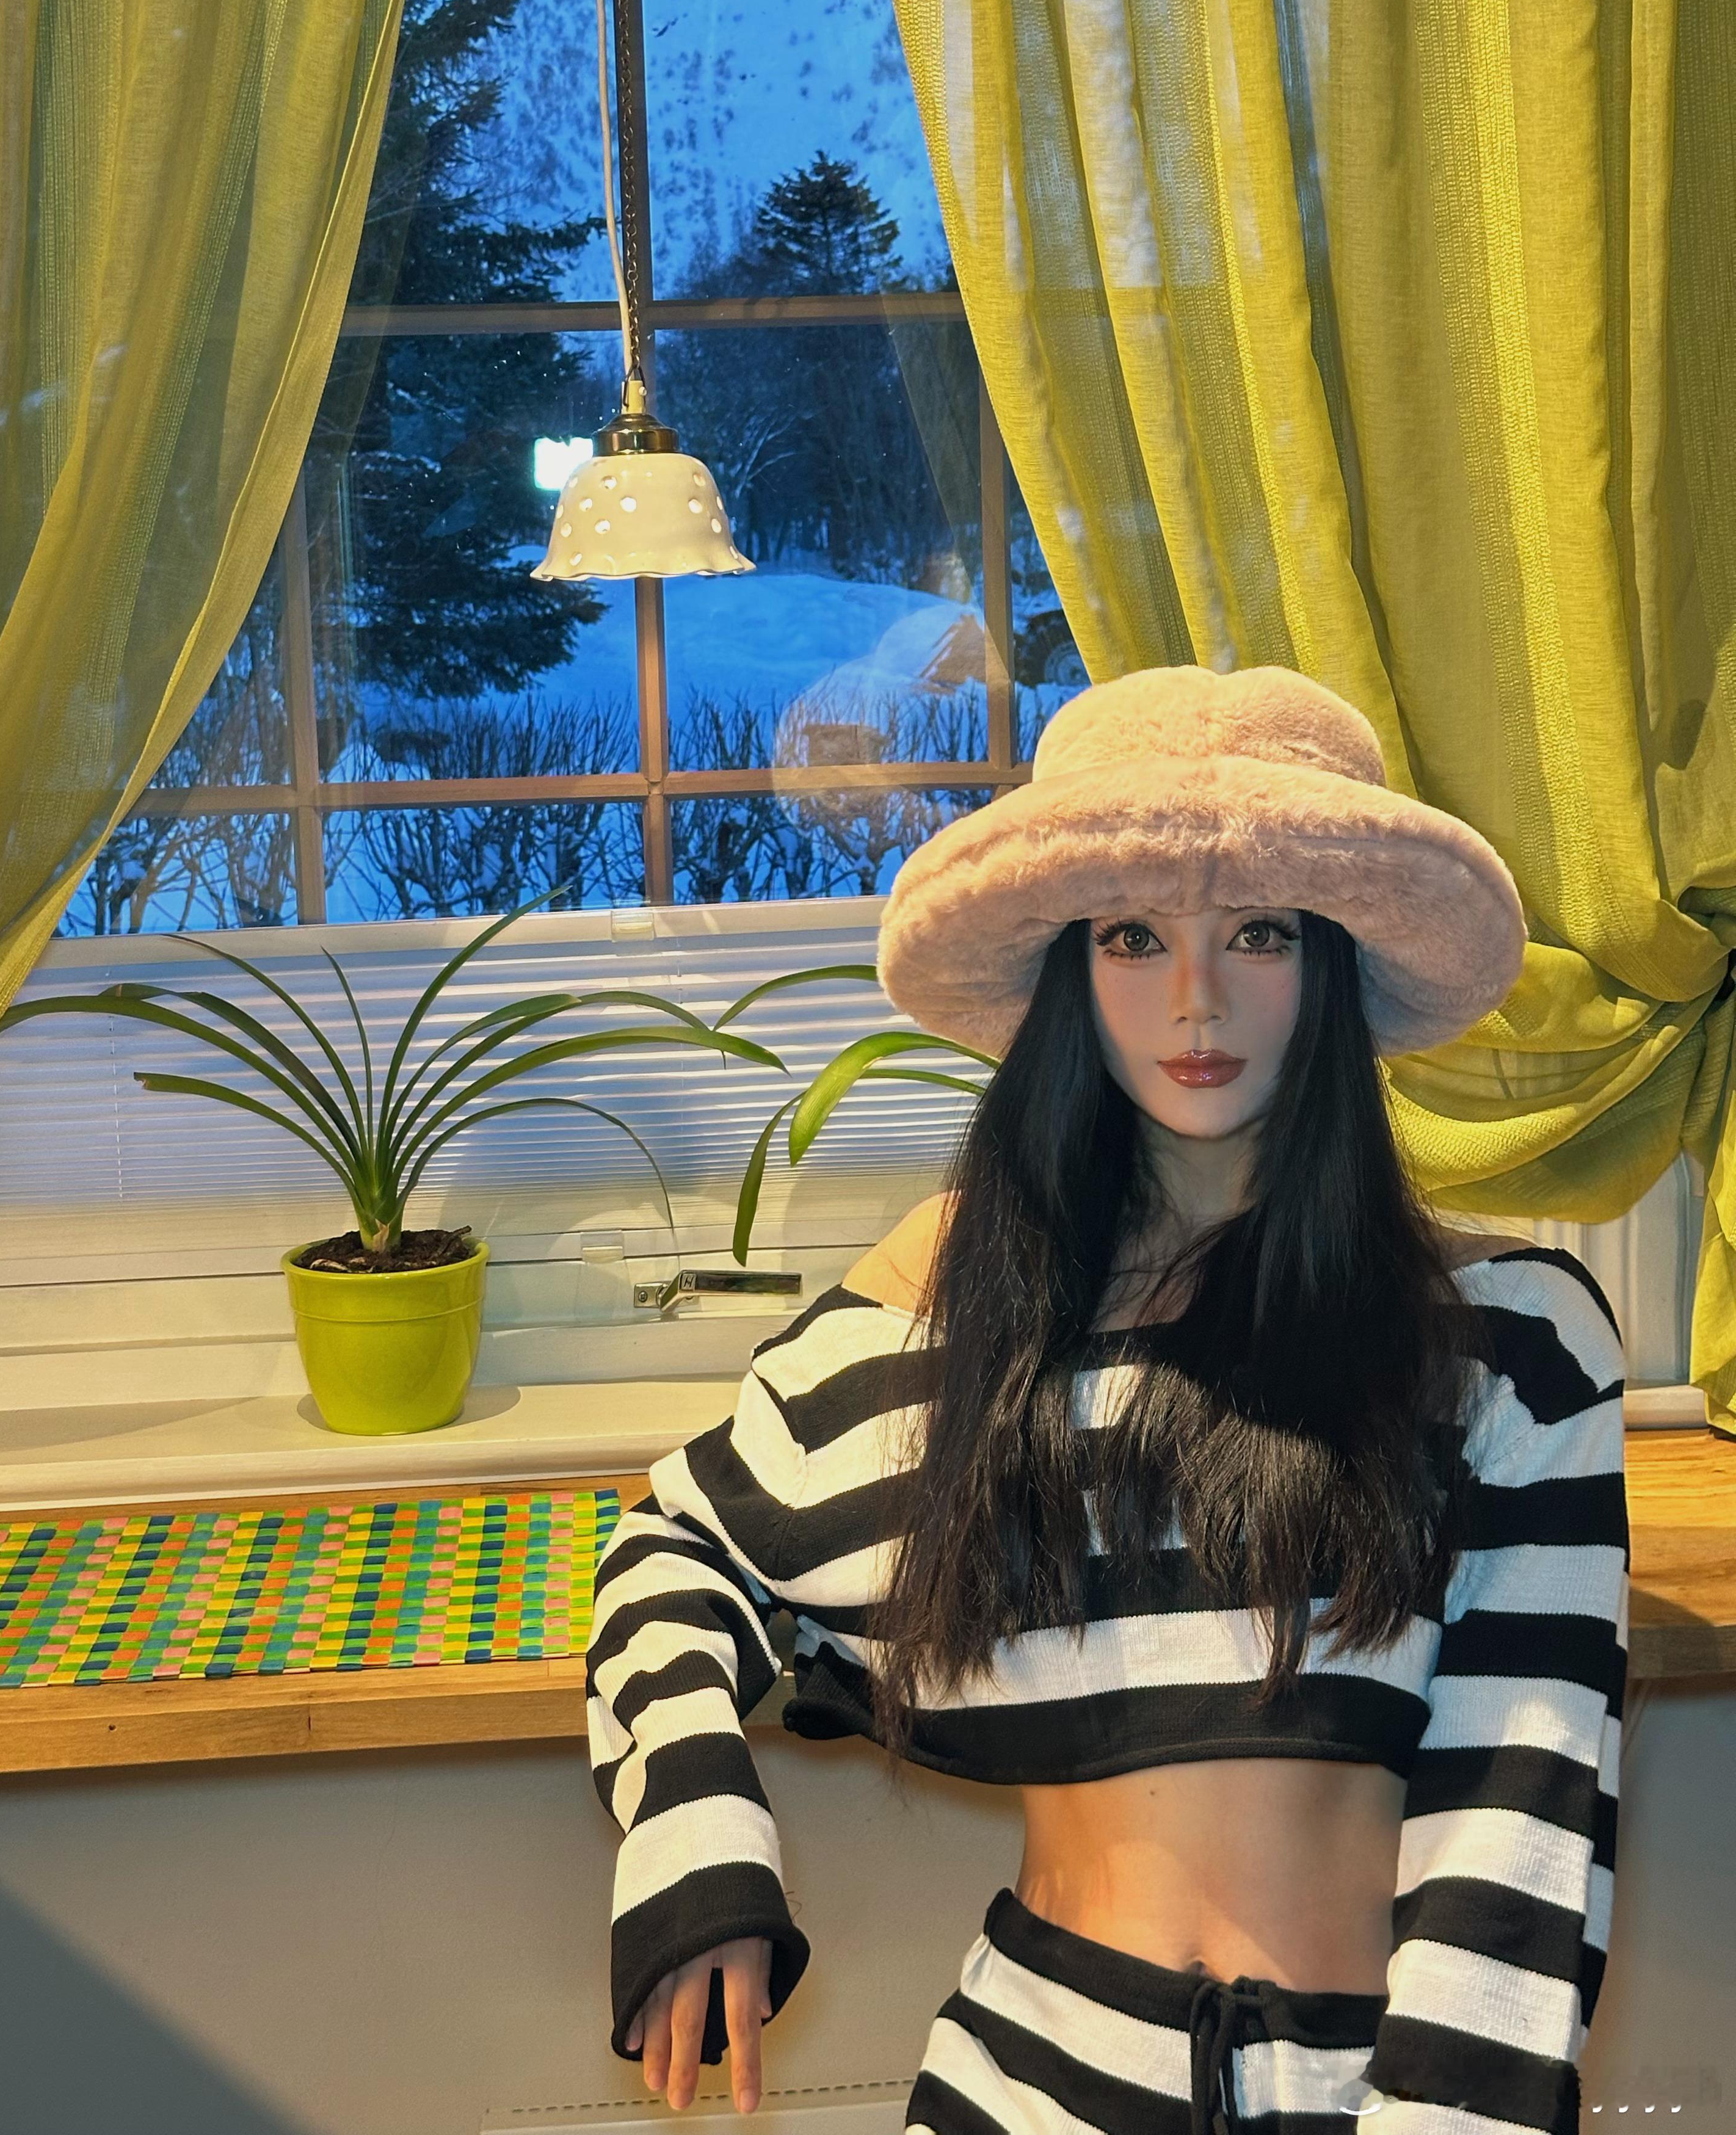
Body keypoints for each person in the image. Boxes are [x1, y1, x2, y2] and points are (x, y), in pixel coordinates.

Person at [585, 665, 1629, 2135]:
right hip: (1019, 2083)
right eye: (1134, 937)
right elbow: (678, 1545)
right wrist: (695, 1836)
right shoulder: (962, 1310)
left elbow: (1524, 1820)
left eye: (1261, 933)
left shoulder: (1506, 1341)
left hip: (1371, 2090)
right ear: (1070, 975)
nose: (1198, 999)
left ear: (1334, 963)